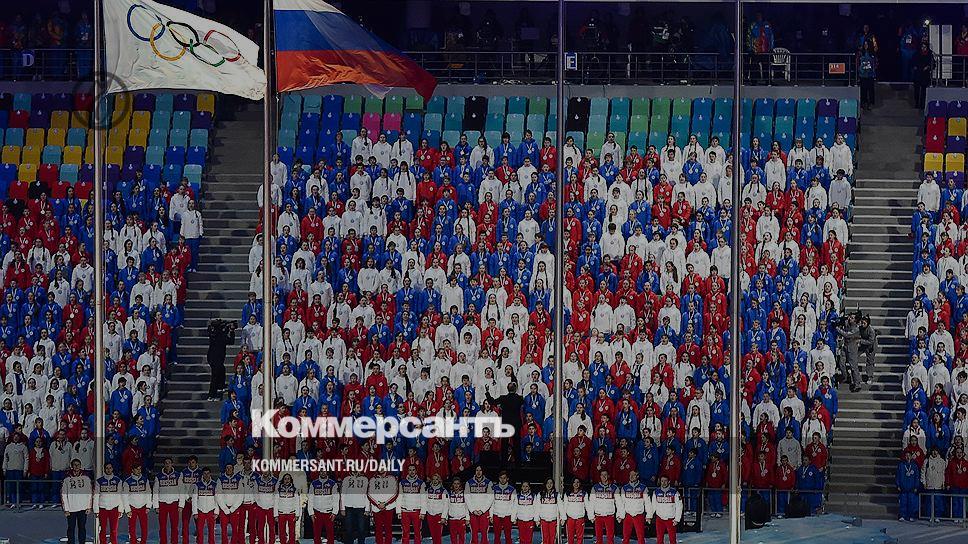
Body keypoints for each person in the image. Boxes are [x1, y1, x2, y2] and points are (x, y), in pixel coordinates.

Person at [152, 457, 183, 544]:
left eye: (169, 462)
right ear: (164, 464)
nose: (168, 464)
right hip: (162, 504)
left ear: (172, 464)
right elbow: (155, 491)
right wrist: (156, 506)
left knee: (175, 526)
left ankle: (174, 542)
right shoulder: (158, 476)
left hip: (174, 503)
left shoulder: (178, 475)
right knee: (162, 526)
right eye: (166, 463)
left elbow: (181, 490)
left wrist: (181, 505)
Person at [62, 458, 93, 544]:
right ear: (71, 466)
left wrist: (89, 507)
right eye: (74, 465)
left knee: (82, 528)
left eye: (78, 465)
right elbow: (63, 494)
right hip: (71, 509)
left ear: (80, 466)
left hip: (83, 508)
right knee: (71, 528)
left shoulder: (86, 477)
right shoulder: (66, 478)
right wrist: (66, 509)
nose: (76, 466)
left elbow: (89, 492)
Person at [616, 470, 650, 544]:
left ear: (637, 476)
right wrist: (619, 515)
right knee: (625, 537)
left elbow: (647, 502)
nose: (631, 477)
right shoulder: (625, 488)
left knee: (641, 537)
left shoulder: (643, 487)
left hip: (639, 515)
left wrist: (649, 515)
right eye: (630, 475)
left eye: (633, 475)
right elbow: (621, 503)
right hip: (628, 515)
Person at [207, 319, 236, 401]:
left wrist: (226, 328)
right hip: (216, 359)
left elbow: (213, 329)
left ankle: (221, 386)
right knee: (215, 377)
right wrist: (232, 331)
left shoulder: (213, 333)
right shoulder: (220, 336)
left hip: (213, 358)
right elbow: (231, 341)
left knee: (222, 370)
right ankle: (212, 395)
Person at [94, 463, 124, 544]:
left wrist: (121, 509)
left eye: (110, 468)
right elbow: (96, 496)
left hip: (114, 508)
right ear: (104, 469)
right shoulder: (99, 481)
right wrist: (96, 510)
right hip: (102, 508)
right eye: (107, 468)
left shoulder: (118, 480)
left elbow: (120, 495)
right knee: (103, 529)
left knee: (114, 530)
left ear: (112, 469)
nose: (108, 470)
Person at [367, 468, 399, 544]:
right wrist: (377, 504)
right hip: (376, 508)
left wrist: (385, 504)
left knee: (388, 528)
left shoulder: (392, 478)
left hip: (388, 507)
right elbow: (369, 493)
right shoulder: (373, 479)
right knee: (378, 528)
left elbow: (395, 493)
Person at [309, 469, 340, 544]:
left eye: (325, 471)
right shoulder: (314, 483)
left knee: (330, 534)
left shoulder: (333, 483)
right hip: (317, 512)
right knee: (316, 534)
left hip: (329, 513)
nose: (323, 473)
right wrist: (311, 513)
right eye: (321, 471)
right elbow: (310, 499)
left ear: (327, 472)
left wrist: (334, 512)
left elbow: (336, 499)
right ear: (319, 472)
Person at [649, 475, 682, 544]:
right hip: (659, 519)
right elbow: (653, 506)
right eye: (662, 481)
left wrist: (677, 519)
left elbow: (679, 507)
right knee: (659, 540)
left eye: (665, 481)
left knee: (672, 540)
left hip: (671, 519)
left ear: (669, 482)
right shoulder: (656, 492)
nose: (663, 483)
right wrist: (649, 516)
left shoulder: (675, 492)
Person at [123, 464, 151, 544]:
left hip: (143, 507)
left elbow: (149, 493)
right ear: (133, 470)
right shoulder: (127, 481)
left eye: (140, 469)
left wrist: (148, 506)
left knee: (144, 527)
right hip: (132, 508)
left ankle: (143, 542)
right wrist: (127, 509)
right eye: (137, 469)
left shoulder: (145, 480)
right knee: (132, 527)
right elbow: (124, 496)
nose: (139, 471)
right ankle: (133, 542)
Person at [397, 465, 425, 544]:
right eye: (410, 470)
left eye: (413, 470)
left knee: (417, 532)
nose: (412, 472)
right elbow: (399, 497)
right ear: (407, 471)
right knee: (405, 532)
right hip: (405, 511)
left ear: (416, 471)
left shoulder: (421, 483)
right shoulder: (402, 482)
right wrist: (398, 511)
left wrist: (423, 512)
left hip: (416, 511)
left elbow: (423, 498)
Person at [465, 465, 493, 544]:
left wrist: (482, 510)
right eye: (477, 470)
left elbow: (490, 499)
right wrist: (473, 510)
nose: (478, 472)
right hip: (473, 512)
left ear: (483, 471)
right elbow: (467, 498)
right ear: (474, 471)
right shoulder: (468, 483)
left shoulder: (488, 482)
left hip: (484, 512)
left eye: (480, 470)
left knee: (484, 533)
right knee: (474, 533)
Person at [835, 313, 862, 392]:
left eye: (852, 318)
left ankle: (857, 384)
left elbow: (847, 335)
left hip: (852, 347)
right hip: (845, 346)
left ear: (855, 320)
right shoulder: (847, 323)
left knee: (853, 366)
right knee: (841, 363)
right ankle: (846, 377)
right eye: (850, 317)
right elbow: (842, 321)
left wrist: (837, 328)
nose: (850, 318)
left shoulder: (856, 329)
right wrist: (840, 320)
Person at [588, 470, 617, 544]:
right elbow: (591, 502)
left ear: (608, 476)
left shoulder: (614, 487)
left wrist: (620, 515)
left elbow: (618, 502)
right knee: (598, 538)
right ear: (600, 476)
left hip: (609, 515)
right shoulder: (595, 487)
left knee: (610, 538)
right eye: (602, 475)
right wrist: (591, 515)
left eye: (605, 475)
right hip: (598, 515)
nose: (604, 477)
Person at [341, 468, 369, 544]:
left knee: (361, 529)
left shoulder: (365, 479)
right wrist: (342, 508)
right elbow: (343, 494)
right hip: (349, 507)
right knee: (349, 529)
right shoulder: (346, 479)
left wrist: (367, 509)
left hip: (361, 507)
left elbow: (367, 494)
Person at [192, 467, 219, 544]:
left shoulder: (214, 484)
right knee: (199, 530)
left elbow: (217, 499)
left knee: (211, 530)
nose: (206, 475)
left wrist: (216, 511)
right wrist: (195, 512)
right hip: (200, 510)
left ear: (210, 474)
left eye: (208, 473)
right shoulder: (197, 485)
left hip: (211, 510)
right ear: (202, 474)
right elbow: (194, 499)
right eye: (204, 473)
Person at [276, 473, 303, 544]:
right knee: (282, 531)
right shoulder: (278, 489)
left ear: (291, 480)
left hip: (291, 513)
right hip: (281, 513)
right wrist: (275, 515)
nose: (287, 480)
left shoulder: (294, 489)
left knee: (292, 531)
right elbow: (276, 502)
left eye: (288, 479)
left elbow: (297, 502)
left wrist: (297, 514)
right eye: (285, 479)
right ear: (283, 480)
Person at [491, 470, 516, 544]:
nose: (502, 480)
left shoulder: (512, 489)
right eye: (501, 478)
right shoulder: (494, 488)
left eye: (504, 478)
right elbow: (491, 503)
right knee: (496, 536)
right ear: (499, 478)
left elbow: (514, 505)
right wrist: (491, 515)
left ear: (507, 479)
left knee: (508, 536)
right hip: (496, 515)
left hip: (507, 515)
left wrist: (513, 517)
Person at [562, 478, 589, 544]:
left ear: (580, 483)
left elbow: (587, 506)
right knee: (570, 537)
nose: (576, 484)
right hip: (570, 518)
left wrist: (591, 516)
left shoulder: (584, 493)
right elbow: (565, 506)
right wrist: (563, 518)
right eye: (574, 482)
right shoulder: (567, 493)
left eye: (577, 482)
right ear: (572, 483)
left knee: (580, 538)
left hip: (580, 518)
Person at [896, 450, 920, 521]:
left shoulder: (914, 466)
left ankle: (911, 516)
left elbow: (916, 477)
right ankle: (902, 515)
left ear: (911, 456)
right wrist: (898, 485)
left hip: (911, 488)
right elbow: (897, 476)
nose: (908, 457)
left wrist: (916, 486)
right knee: (903, 502)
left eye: (909, 455)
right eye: (906, 456)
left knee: (911, 503)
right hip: (903, 487)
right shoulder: (901, 465)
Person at [445, 477, 470, 544]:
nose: (456, 485)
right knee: (453, 537)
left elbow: (467, 507)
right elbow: (446, 506)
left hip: (461, 519)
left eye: (458, 484)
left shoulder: (464, 494)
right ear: (452, 484)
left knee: (462, 537)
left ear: (460, 485)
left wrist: (467, 518)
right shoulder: (449, 494)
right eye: (455, 483)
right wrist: (445, 518)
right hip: (452, 519)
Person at [913, 41, 934, 109]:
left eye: (924, 47)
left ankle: (922, 105)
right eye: (922, 47)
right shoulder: (917, 53)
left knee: (923, 91)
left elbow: (933, 64)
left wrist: (928, 67)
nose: (923, 48)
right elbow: (913, 62)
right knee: (916, 91)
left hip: (925, 75)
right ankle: (916, 103)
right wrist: (915, 66)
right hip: (917, 74)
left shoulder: (930, 54)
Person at [857, 41, 877, 110]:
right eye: (864, 44)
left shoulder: (872, 54)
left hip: (870, 75)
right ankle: (863, 103)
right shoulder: (860, 54)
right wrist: (859, 71)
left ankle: (871, 103)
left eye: (867, 44)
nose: (866, 46)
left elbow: (875, 63)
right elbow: (857, 63)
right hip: (862, 75)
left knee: (871, 90)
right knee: (863, 90)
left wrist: (874, 72)